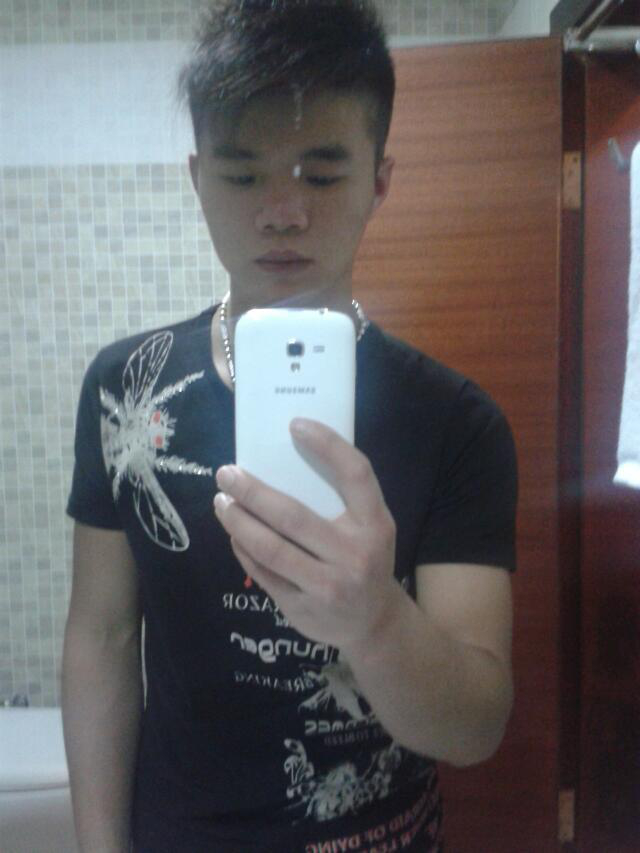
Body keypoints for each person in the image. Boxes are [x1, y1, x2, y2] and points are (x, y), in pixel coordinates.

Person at [61, 1, 518, 851]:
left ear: (379, 181)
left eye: (321, 175)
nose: (281, 212)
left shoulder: (458, 422)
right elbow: (103, 636)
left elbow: (475, 727)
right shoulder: (125, 391)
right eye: (242, 176)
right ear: (198, 179)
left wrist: (376, 620)